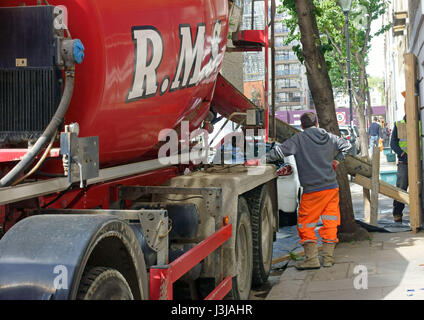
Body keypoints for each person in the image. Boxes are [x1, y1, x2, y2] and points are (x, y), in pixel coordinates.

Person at [266, 112, 351, 270]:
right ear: (317, 124)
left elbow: (278, 153)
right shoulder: (329, 137)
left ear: (302, 126)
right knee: (331, 222)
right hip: (331, 188)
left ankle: (311, 259)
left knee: (306, 224)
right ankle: (328, 258)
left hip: (313, 191)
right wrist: (337, 160)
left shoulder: (299, 139)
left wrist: (259, 160)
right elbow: (347, 146)